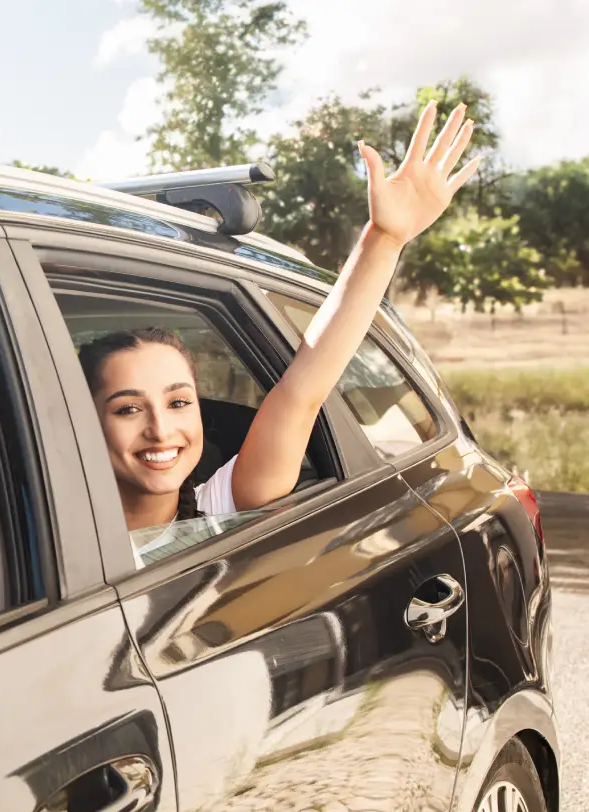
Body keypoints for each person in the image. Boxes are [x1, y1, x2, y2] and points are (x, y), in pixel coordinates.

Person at [79, 101, 481, 565]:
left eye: (178, 402)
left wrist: (384, 239)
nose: (160, 429)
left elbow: (303, 390)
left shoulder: (217, 508)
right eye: (128, 408)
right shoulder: (42, 535)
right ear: (86, 424)